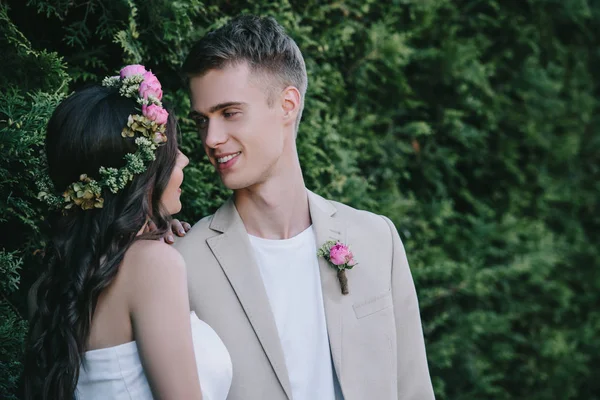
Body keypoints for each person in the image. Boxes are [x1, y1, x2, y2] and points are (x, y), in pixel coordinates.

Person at [174, 15, 435, 400]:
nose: (212, 139)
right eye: (202, 120)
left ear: (287, 105)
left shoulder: (378, 239)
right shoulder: (184, 261)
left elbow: (414, 389)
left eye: (229, 113)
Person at [22, 66, 232, 400]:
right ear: (142, 172)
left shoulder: (50, 288)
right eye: (169, 151)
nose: (185, 160)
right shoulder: (152, 266)